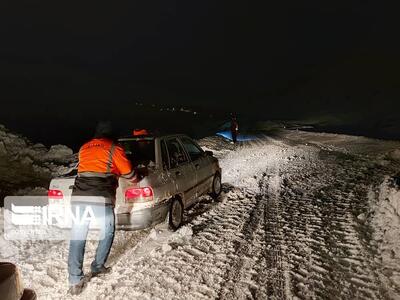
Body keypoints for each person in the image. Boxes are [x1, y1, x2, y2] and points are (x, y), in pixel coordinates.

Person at [68, 121, 135, 295]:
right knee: (107, 232)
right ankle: (97, 267)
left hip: (79, 197)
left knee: (77, 236)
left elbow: (88, 167)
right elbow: (128, 173)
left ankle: (75, 281)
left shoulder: (84, 147)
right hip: (101, 198)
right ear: (112, 135)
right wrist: (135, 176)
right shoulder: (114, 148)